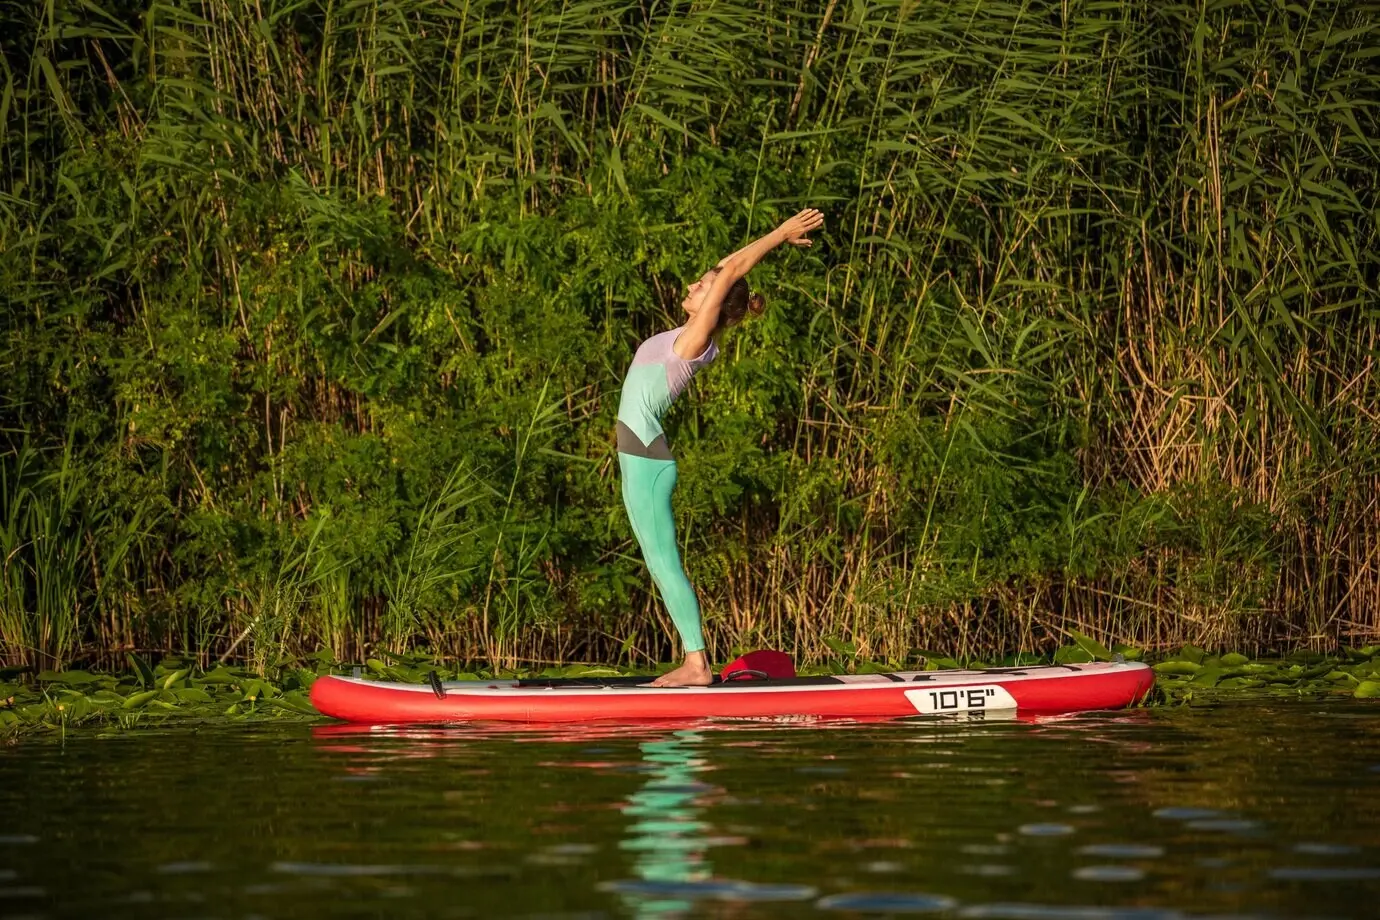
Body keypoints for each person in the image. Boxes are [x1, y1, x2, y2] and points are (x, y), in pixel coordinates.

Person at [615, 208, 825, 687]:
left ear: (713, 303)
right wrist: (734, 266)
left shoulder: (691, 341)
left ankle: (696, 665)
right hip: (642, 461)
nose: (692, 285)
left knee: (664, 562)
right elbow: (726, 269)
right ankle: (694, 661)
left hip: (645, 464)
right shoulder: (689, 335)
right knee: (659, 561)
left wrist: (779, 234)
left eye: (701, 286)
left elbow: (730, 272)